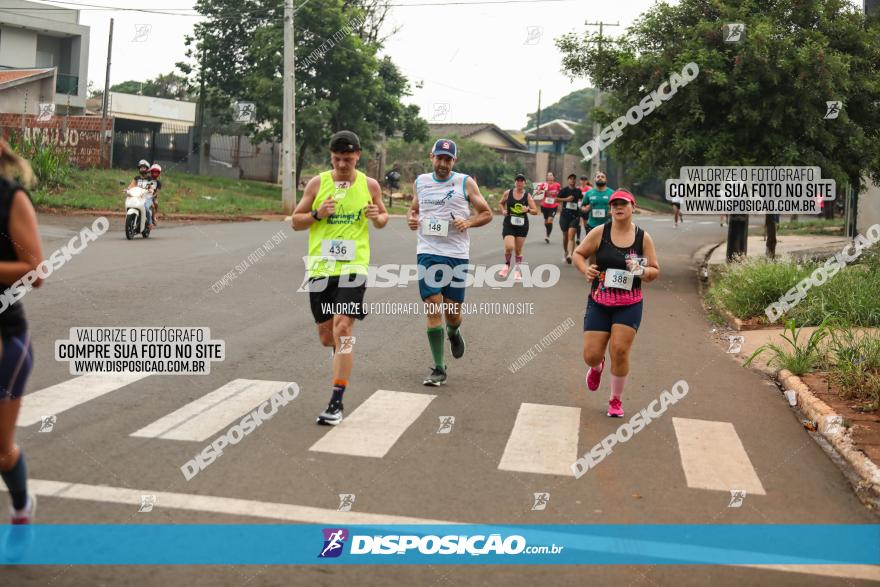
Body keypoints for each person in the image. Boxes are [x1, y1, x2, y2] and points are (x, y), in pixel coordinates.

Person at [292, 130, 388, 425]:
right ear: (330, 156)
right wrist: (318, 214)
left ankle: (336, 402)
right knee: (327, 337)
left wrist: (376, 217)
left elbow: (383, 218)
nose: (343, 164)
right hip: (321, 269)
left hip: (353, 268)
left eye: (348, 158)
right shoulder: (317, 183)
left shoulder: (370, 185)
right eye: (337, 159)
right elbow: (296, 221)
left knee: (343, 329)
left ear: (358, 155)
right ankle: (339, 356)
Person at [407, 139, 492, 386]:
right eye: (439, 158)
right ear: (431, 156)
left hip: (456, 254)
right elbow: (414, 209)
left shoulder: (465, 182)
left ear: (454, 161)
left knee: (452, 313)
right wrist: (412, 219)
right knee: (433, 305)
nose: (443, 163)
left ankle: (453, 332)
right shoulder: (420, 182)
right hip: (428, 251)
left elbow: (486, 213)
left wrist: (469, 222)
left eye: (448, 159)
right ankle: (439, 368)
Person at [573, 189, 659, 418]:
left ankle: (615, 400)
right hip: (599, 301)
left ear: (633, 206)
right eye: (614, 205)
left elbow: (654, 271)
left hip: (629, 303)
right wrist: (586, 269)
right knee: (590, 355)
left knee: (620, 351)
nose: (618, 208)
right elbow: (578, 254)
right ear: (610, 209)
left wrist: (641, 270)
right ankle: (597, 366)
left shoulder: (643, 238)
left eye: (623, 204)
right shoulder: (600, 233)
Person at [0, 138, 40, 524]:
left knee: (0, 450)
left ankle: (21, 504)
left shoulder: (12, 200)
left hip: (7, 341)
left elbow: (35, 269)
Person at [498, 173, 538, 280]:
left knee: (518, 250)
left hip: (522, 225)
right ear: (515, 182)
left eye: (522, 181)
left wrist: (528, 210)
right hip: (509, 223)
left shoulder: (527, 196)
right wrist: (503, 210)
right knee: (509, 246)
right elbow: (501, 203)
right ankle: (506, 265)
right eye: (518, 180)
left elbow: (535, 211)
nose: (519, 182)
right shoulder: (508, 193)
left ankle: (517, 270)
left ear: (524, 183)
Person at [558, 174, 582, 264]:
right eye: (570, 179)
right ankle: (566, 252)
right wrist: (566, 199)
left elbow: (582, 200)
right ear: (568, 180)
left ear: (575, 181)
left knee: (571, 236)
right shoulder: (564, 190)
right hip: (564, 216)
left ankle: (570, 255)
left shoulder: (578, 191)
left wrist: (582, 206)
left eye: (574, 179)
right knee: (565, 236)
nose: (572, 181)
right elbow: (556, 199)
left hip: (575, 216)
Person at [538, 172, 561, 243]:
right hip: (545, 205)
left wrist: (559, 200)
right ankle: (547, 231)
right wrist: (541, 191)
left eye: (551, 175)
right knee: (546, 221)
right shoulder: (544, 185)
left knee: (550, 220)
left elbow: (561, 193)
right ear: (547, 177)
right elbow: (538, 192)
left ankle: (547, 236)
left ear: (553, 177)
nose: (550, 177)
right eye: (548, 175)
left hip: (553, 205)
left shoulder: (557, 185)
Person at [576, 176, 592, 245]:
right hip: (579, 207)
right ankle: (578, 238)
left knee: (586, 224)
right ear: (580, 181)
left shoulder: (590, 189)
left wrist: (588, 206)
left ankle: (587, 238)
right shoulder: (577, 188)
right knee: (579, 222)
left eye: (585, 180)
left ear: (586, 181)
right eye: (582, 180)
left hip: (586, 208)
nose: (583, 181)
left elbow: (592, 198)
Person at [146, 164, 162, 228]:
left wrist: (153, 195)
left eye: (156, 172)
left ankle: (154, 216)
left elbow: (158, 191)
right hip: (145, 195)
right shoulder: (148, 179)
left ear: (159, 173)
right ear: (151, 172)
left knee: (155, 203)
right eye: (153, 172)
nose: (155, 174)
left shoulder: (158, 183)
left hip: (153, 197)